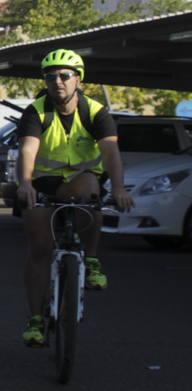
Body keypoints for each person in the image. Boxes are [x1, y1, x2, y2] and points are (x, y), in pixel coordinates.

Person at [17, 49, 134, 345]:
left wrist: (119, 188)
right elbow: (28, 150)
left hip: (81, 180)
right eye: (50, 76)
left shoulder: (95, 112)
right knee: (40, 248)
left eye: (64, 75)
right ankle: (35, 320)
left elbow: (110, 151)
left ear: (78, 80)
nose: (57, 81)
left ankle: (91, 259)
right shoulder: (36, 111)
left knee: (89, 191)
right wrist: (26, 183)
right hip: (43, 184)